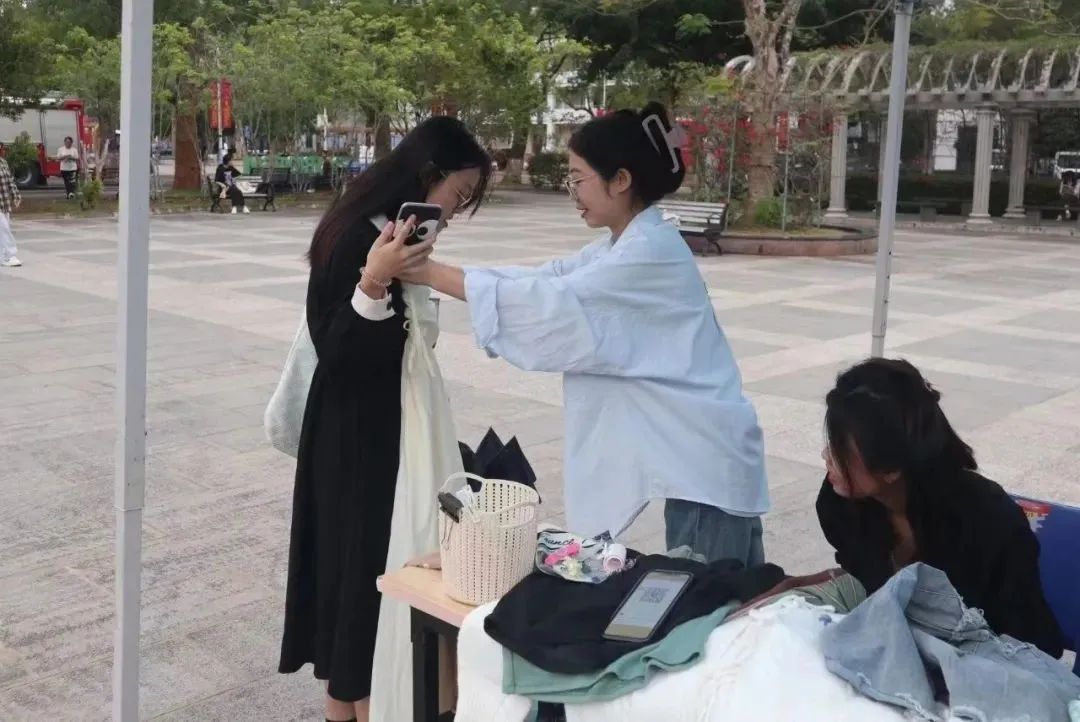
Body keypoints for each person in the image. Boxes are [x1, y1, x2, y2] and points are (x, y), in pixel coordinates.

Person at [402, 102, 769, 565]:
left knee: (715, 595)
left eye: (578, 179)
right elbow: (546, 279)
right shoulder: (626, 245)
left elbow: (555, 305)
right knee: (728, 591)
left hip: (701, 463)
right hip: (699, 454)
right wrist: (435, 270)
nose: (573, 192)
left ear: (621, 180)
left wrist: (427, 272)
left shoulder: (647, 253)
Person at [278, 116, 491, 722]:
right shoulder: (355, 235)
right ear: (428, 175)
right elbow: (338, 351)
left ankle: (348, 702)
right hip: (357, 438)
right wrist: (374, 280)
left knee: (361, 584)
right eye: (458, 194)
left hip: (387, 426)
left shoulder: (392, 231)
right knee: (363, 584)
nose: (455, 211)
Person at [816, 357, 1065, 657]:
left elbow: (1031, 643)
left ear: (890, 467)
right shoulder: (841, 505)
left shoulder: (988, 523)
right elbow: (868, 588)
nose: (826, 455)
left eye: (839, 447)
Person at [0, 156, 22, 268]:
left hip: (4, 203)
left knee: (4, 230)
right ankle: (9, 255)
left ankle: (3, 256)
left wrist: (16, 195)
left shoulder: (3, 162)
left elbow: (10, 182)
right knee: (4, 229)